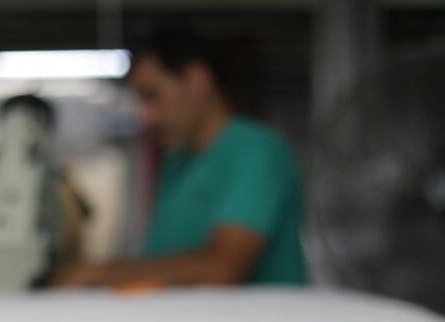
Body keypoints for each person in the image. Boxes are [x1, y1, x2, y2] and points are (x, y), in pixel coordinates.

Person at [53, 30, 306, 288]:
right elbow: (161, 268)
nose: (146, 116)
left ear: (197, 80)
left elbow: (220, 271)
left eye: (153, 96)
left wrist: (95, 274)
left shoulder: (256, 153)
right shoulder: (176, 164)